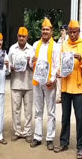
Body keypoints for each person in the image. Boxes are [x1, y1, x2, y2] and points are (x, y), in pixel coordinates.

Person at [53, 20, 82, 159]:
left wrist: (81, 60)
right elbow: (61, 64)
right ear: (67, 32)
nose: (73, 35)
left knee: (80, 118)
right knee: (65, 117)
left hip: (79, 89)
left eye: (75, 32)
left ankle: (81, 148)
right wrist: (58, 72)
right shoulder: (64, 45)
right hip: (66, 87)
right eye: (70, 32)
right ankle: (64, 142)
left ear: (79, 32)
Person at [30, 18, 60, 151]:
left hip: (49, 83)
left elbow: (57, 65)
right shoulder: (36, 45)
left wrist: (52, 79)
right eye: (43, 29)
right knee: (38, 110)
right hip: (37, 82)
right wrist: (32, 60)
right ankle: (37, 136)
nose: (45, 31)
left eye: (47, 29)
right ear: (41, 31)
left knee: (51, 112)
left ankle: (50, 138)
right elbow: (31, 64)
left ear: (52, 31)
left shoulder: (56, 46)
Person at [8, 27, 34, 143]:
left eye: (24, 36)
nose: (21, 38)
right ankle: (18, 131)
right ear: (17, 36)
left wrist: (30, 63)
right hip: (16, 83)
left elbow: (35, 66)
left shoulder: (31, 49)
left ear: (27, 37)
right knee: (16, 109)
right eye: (20, 36)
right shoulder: (12, 49)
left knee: (28, 110)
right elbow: (7, 64)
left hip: (28, 84)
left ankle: (28, 132)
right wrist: (10, 67)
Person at [56, 24, 68, 104]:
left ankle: (65, 97)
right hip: (59, 62)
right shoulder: (59, 40)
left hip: (66, 63)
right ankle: (59, 97)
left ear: (66, 31)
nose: (61, 32)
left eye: (63, 30)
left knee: (65, 80)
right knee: (58, 81)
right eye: (61, 30)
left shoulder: (69, 39)